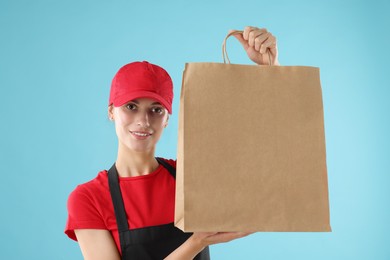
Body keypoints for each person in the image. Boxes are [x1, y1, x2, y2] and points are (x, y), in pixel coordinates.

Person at [65, 26, 280, 260]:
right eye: (131, 106)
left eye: (156, 109)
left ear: (167, 119)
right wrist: (196, 242)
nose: (143, 121)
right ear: (111, 112)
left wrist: (269, 71)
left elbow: (264, 169)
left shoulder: (190, 179)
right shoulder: (89, 199)